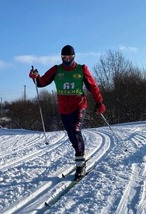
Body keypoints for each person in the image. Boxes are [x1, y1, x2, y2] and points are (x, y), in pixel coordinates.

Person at [29, 45, 106, 180]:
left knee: (76, 130)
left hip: (79, 105)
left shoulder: (81, 69)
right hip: (64, 109)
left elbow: (92, 86)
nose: (67, 60)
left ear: (74, 56)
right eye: (64, 57)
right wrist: (35, 77)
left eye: (69, 57)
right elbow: (41, 83)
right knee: (71, 134)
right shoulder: (56, 70)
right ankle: (78, 152)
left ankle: (80, 165)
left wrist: (99, 102)